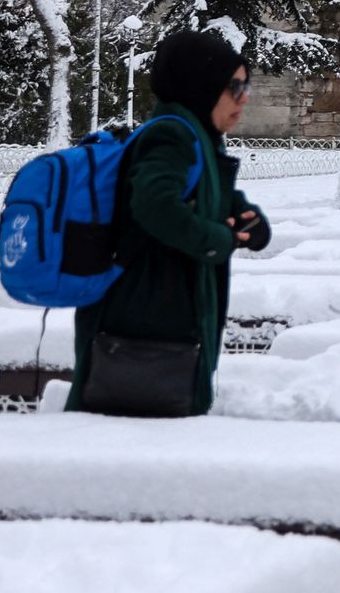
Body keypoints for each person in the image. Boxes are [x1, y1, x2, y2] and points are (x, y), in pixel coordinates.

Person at [69, 27, 274, 417]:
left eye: (246, 88)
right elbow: (155, 205)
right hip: (142, 321)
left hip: (165, 318)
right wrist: (217, 240)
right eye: (234, 88)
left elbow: (220, 201)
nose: (244, 99)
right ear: (202, 86)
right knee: (129, 434)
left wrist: (252, 224)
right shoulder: (171, 135)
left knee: (159, 423)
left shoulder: (200, 140)